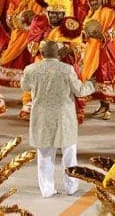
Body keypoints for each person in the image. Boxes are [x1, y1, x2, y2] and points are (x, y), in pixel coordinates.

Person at [21, 40, 94, 198]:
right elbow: (80, 91)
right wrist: (90, 84)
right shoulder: (66, 69)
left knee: (45, 155)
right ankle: (71, 187)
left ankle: (47, 190)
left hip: (41, 118)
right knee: (69, 153)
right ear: (58, 54)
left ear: (41, 53)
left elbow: (24, 87)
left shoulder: (31, 69)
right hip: (64, 118)